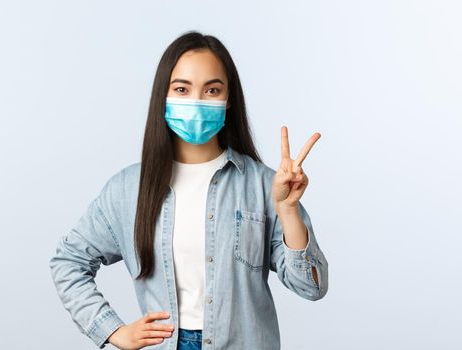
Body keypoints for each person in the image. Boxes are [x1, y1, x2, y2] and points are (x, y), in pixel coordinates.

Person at [49, 30, 329, 350]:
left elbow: (311, 287)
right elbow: (68, 261)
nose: (196, 101)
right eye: (182, 89)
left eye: (212, 90)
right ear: (163, 97)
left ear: (228, 100)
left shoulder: (263, 184)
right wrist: (112, 330)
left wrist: (288, 209)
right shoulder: (128, 189)